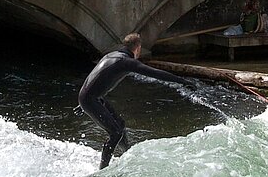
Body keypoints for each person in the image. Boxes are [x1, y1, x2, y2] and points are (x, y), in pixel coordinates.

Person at [78, 33, 188, 169]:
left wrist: (82, 100)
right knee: (116, 132)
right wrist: (182, 81)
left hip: (90, 97)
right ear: (138, 48)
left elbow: (96, 76)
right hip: (90, 99)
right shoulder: (126, 62)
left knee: (120, 125)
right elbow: (155, 73)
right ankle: (102, 169)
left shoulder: (112, 55)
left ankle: (126, 155)